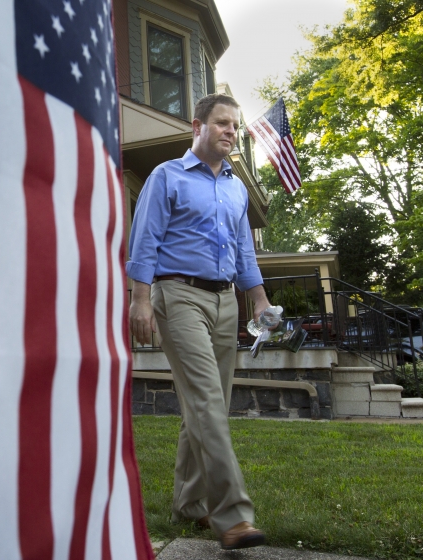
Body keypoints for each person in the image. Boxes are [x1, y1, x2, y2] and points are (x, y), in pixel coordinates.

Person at [126, 93, 270, 550]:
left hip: (226, 301)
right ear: (198, 127)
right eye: (222, 124)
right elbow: (144, 240)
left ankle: (189, 506)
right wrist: (140, 300)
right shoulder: (165, 176)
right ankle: (233, 516)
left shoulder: (235, 188)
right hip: (178, 295)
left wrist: (260, 301)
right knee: (207, 400)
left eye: (235, 126)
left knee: (206, 407)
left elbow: (244, 251)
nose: (231, 132)